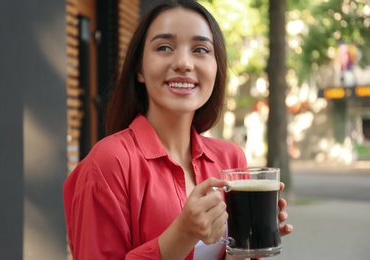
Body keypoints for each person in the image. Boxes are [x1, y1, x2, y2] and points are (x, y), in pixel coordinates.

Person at [63, 1, 293, 259]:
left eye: (200, 49)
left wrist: (249, 246)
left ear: (217, 68)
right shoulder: (108, 162)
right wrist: (183, 234)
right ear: (139, 68)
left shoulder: (231, 159)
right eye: (164, 47)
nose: (183, 63)